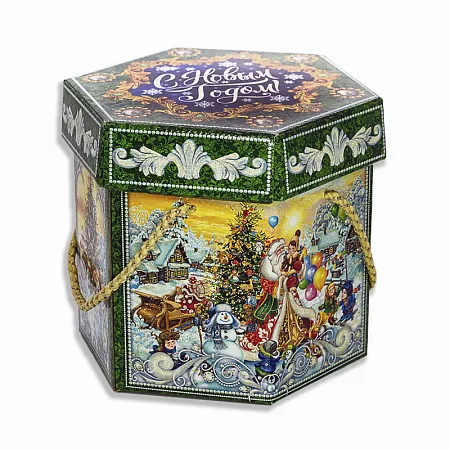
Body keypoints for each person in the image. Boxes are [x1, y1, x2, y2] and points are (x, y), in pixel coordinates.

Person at [281, 230, 303, 298]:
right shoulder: (287, 257)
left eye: (293, 249)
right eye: (289, 248)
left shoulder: (296, 258)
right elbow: (283, 265)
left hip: (292, 276)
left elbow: (296, 269)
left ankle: (292, 291)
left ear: (296, 249)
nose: (291, 250)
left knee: (291, 281)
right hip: (286, 273)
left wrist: (288, 273)